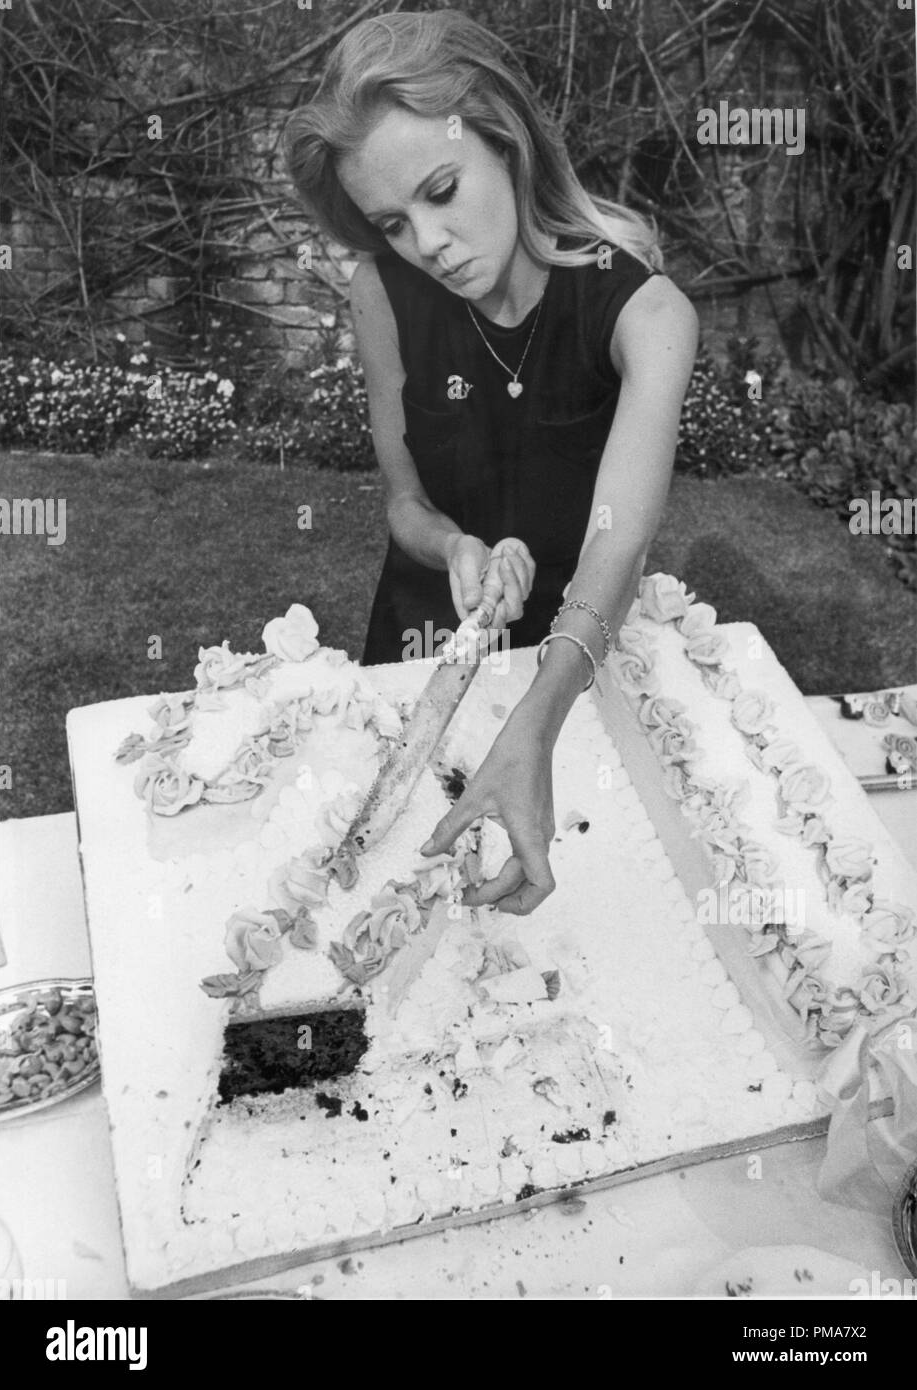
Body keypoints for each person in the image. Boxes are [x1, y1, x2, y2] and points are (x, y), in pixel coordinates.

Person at [283, 9, 698, 916]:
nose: (426, 243)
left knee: (571, 942)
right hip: (421, 650)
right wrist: (452, 548)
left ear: (505, 144)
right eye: (392, 222)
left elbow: (615, 547)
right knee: (384, 903)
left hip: (575, 664)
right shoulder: (383, 292)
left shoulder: (643, 313)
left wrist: (536, 723)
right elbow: (403, 503)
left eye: (441, 190)